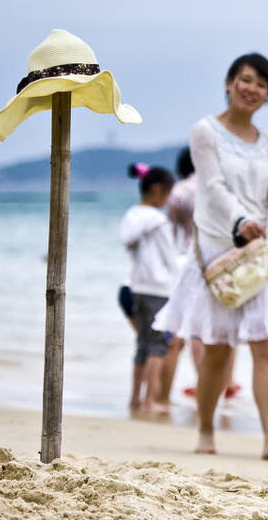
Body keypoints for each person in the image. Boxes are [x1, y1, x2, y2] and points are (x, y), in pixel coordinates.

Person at [153, 53, 268, 460]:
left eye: (262, 85)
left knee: (266, 344)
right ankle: (205, 431)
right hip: (218, 250)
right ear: (230, 83)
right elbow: (211, 187)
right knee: (216, 348)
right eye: (246, 80)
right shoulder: (206, 131)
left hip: (257, 252)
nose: (252, 89)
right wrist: (240, 221)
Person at [165, 147, 242, 403]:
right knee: (228, 324)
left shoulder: (179, 192)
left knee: (199, 327)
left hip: (194, 260)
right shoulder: (224, 187)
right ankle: (228, 382)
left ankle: (204, 382)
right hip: (228, 261)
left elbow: (170, 234)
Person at [120, 164, 178, 416]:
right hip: (159, 290)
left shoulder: (132, 214)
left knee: (142, 343)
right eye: (167, 195)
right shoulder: (159, 220)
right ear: (157, 191)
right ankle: (149, 399)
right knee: (158, 346)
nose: (166, 201)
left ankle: (135, 398)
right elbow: (170, 258)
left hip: (136, 287)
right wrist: (177, 287)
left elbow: (126, 240)